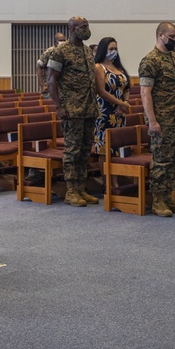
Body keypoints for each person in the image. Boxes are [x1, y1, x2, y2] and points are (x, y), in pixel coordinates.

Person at [138, 22, 175, 218]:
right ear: (160, 35)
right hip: (162, 121)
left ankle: (168, 197)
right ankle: (157, 200)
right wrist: (152, 121)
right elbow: (145, 94)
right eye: (172, 37)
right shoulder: (150, 60)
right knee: (161, 162)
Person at [48, 17, 100, 207]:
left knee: (85, 150)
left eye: (87, 26)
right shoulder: (60, 51)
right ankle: (71, 190)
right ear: (72, 29)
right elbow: (51, 81)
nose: (86, 30)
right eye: (83, 27)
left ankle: (80, 188)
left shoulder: (87, 51)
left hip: (89, 108)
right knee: (72, 151)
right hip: (72, 109)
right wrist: (59, 106)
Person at [93, 37, 130, 154]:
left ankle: (116, 171)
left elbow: (126, 87)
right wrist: (121, 103)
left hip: (120, 111)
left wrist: (125, 102)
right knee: (105, 147)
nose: (114, 51)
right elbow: (101, 91)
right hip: (105, 111)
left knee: (119, 145)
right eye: (111, 49)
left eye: (115, 48)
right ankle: (105, 172)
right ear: (104, 50)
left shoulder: (119, 68)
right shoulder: (99, 67)